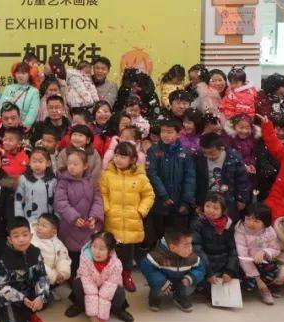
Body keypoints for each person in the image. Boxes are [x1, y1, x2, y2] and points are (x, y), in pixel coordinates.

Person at [99, 142, 154, 292]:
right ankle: (110, 277)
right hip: (112, 220)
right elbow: (102, 193)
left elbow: (149, 195)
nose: (118, 159)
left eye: (123, 157)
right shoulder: (107, 175)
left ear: (133, 159)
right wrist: (107, 209)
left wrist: (141, 211)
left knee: (128, 253)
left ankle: (126, 275)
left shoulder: (140, 177)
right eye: (116, 155)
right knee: (111, 251)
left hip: (132, 221)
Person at [0, 216, 50, 322]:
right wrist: (22, 298)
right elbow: (1, 286)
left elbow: (42, 276)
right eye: (16, 236)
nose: (21, 239)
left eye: (25, 235)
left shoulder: (35, 252)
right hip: (11, 298)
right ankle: (4, 316)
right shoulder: (4, 257)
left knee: (46, 298)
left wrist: (41, 297)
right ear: (10, 239)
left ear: (31, 236)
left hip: (29, 294)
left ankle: (29, 312)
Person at [70, 230, 134, 322]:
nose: (97, 252)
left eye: (102, 249)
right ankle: (80, 306)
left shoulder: (116, 264)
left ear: (110, 251)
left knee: (119, 291)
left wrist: (102, 318)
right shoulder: (85, 259)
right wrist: (93, 316)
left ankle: (117, 310)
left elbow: (107, 292)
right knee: (77, 283)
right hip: (89, 290)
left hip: (108, 292)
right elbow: (89, 289)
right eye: (94, 246)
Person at [146, 118, 196, 238]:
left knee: (177, 235)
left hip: (179, 200)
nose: (165, 135)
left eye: (169, 132)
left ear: (178, 134)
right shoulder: (153, 150)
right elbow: (152, 174)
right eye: (163, 131)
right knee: (159, 234)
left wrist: (186, 201)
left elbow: (190, 178)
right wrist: (164, 195)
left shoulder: (186, 153)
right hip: (159, 200)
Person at [55, 148, 103, 273]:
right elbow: (61, 203)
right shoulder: (63, 182)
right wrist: (74, 218)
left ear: (85, 166)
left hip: (88, 226)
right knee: (71, 259)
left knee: (87, 258)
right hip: (70, 226)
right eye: (69, 163)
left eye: (75, 164)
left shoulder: (92, 181)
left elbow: (98, 200)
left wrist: (94, 217)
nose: (71, 167)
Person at [139, 225, 205, 313]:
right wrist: (160, 281)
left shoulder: (192, 257)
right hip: (164, 281)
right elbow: (146, 267)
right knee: (157, 286)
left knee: (190, 287)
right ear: (173, 247)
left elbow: (200, 269)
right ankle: (154, 298)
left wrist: (191, 277)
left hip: (181, 281)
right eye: (186, 245)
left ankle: (179, 297)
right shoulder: (157, 256)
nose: (190, 248)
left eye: (191, 244)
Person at [191, 193, 238, 298]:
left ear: (223, 210)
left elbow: (233, 250)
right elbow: (197, 249)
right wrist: (209, 273)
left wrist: (229, 271)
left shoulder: (228, 224)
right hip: (205, 263)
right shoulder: (197, 223)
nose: (210, 210)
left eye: (216, 208)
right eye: (207, 206)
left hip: (223, 264)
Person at [195, 132, 252, 219]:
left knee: (226, 221)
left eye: (211, 153)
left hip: (228, 199)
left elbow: (242, 180)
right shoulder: (198, 157)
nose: (207, 156)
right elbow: (196, 179)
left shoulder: (234, 158)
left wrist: (241, 199)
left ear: (222, 148)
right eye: (205, 153)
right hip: (206, 198)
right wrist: (197, 200)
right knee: (206, 222)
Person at [234, 203, 281, 305]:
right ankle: (261, 286)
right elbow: (242, 256)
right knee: (248, 284)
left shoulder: (269, 231)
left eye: (256, 221)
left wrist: (264, 252)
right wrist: (257, 279)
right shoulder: (240, 231)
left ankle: (263, 284)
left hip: (261, 262)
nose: (251, 223)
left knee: (274, 270)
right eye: (248, 219)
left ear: (265, 222)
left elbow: (276, 249)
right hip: (243, 264)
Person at [31, 212, 71, 295]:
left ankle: (51, 292)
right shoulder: (32, 240)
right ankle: (42, 296)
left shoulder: (58, 243)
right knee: (41, 290)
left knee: (65, 291)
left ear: (54, 231)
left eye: (44, 226)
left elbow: (63, 259)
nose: (39, 227)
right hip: (37, 276)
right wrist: (53, 276)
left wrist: (62, 273)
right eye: (38, 224)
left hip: (53, 277)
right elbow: (36, 262)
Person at [14, 147, 56, 226]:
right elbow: (18, 200)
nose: (37, 165)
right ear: (29, 163)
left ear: (48, 163)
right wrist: (20, 219)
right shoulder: (23, 179)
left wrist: (56, 219)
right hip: (29, 220)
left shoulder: (53, 181)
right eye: (34, 161)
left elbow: (56, 202)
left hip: (47, 221)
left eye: (40, 161)